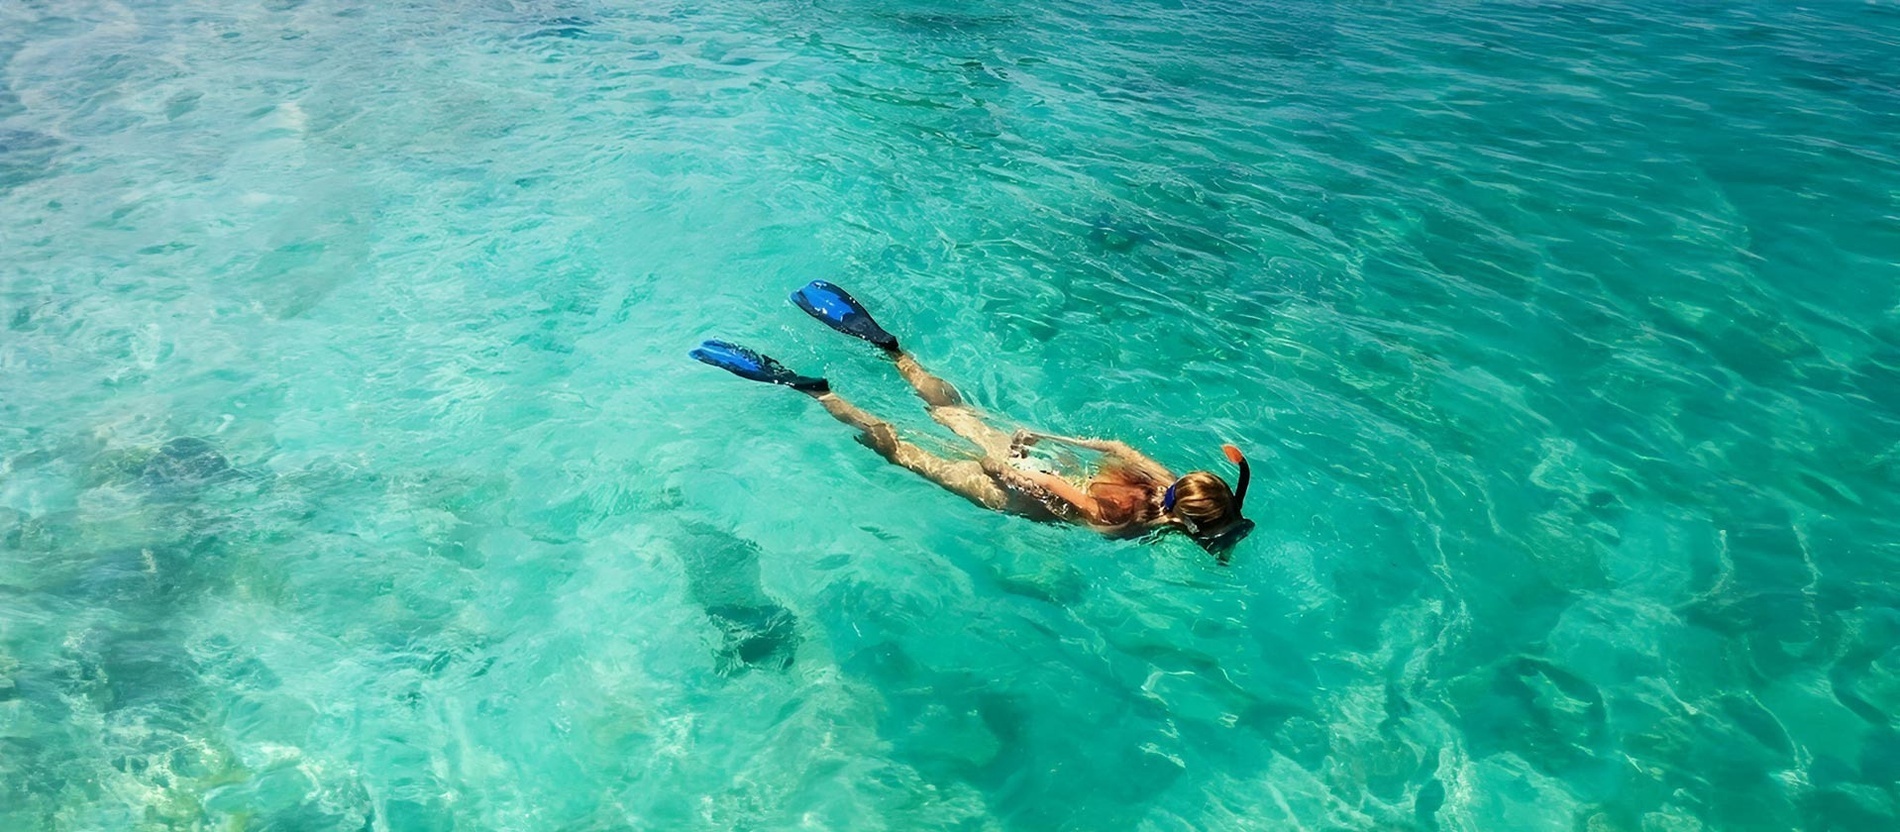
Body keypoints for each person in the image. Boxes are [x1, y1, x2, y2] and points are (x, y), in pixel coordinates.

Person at [691, 281, 1255, 560]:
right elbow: (1052, 491)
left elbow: (1110, 442)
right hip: (1013, 484)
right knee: (900, 449)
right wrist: (1000, 468)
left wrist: (1035, 440)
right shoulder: (1124, 521)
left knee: (948, 409)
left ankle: (892, 351)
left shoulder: (1165, 479)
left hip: (1037, 451)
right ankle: (813, 390)